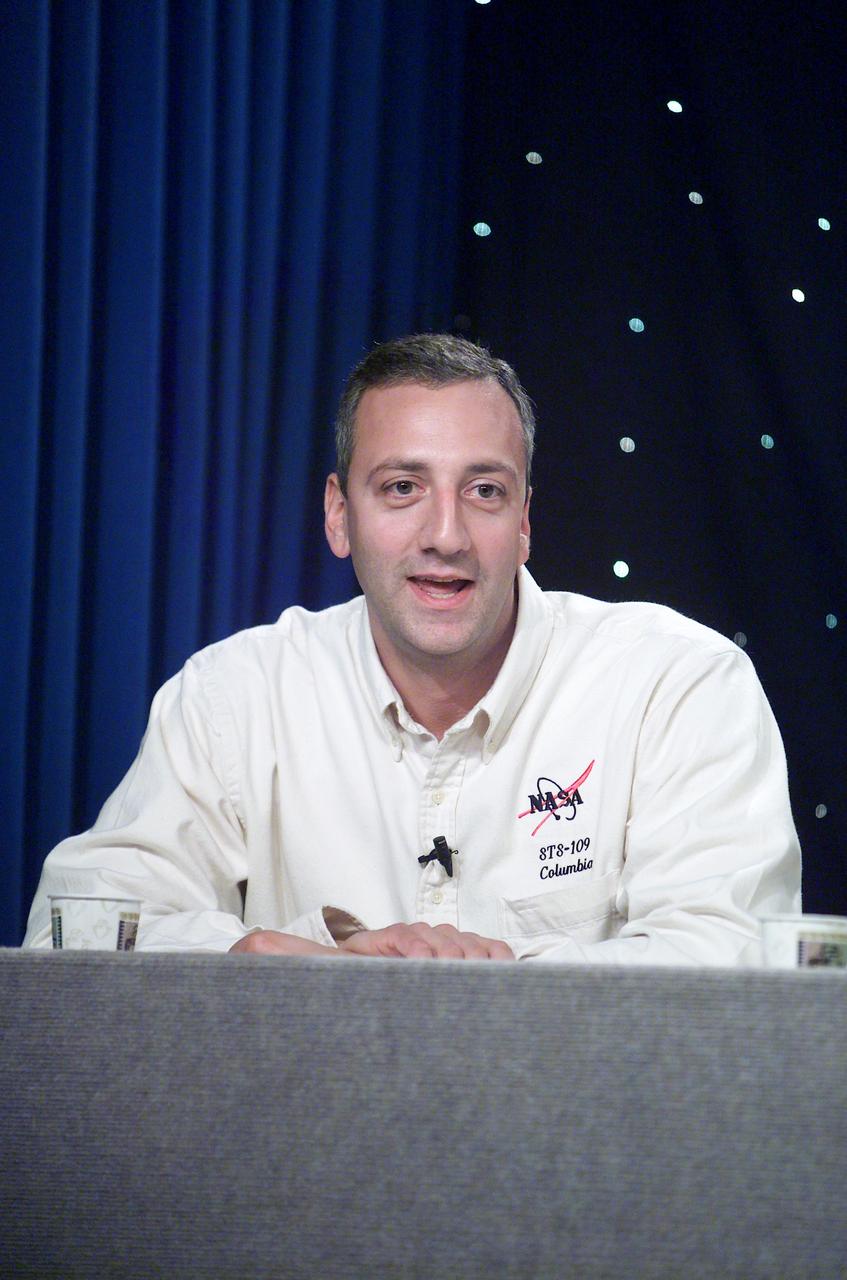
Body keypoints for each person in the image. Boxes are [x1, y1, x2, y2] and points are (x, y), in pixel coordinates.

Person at [24, 334, 801, 962]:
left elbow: (730, 957)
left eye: (484, 490)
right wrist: (262, 950)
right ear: (338, 515)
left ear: (525, 521)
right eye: (402, 487)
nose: (444, 536)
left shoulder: (675, 683)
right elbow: (71, 935)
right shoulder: (233, 695)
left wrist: (484, 976)